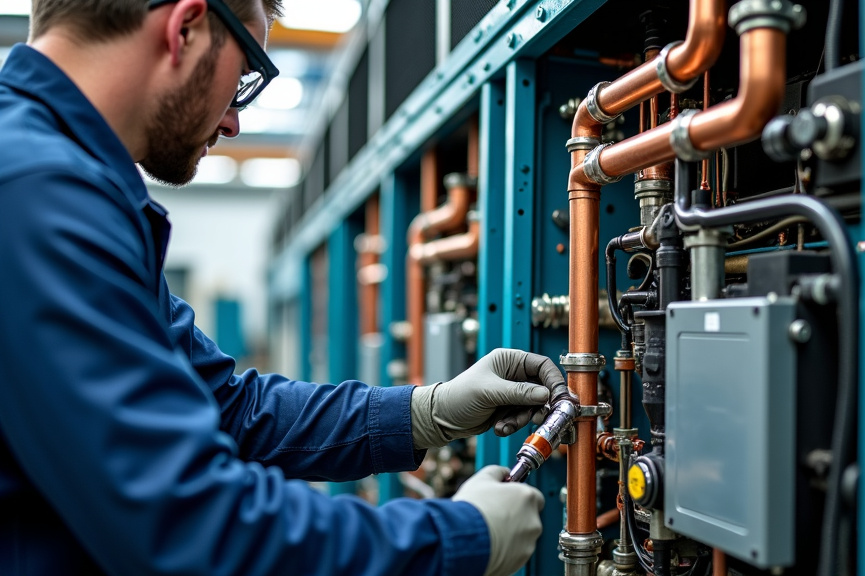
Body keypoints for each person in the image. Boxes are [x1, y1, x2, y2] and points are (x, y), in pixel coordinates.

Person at [0, 1, 561, 574]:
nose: (233, 122)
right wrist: (460, 538)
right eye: (245, 75)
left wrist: (425, 412)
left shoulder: (63, 187)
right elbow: (194, 529)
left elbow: (231, 409)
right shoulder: (39, 197)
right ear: (185, 27)